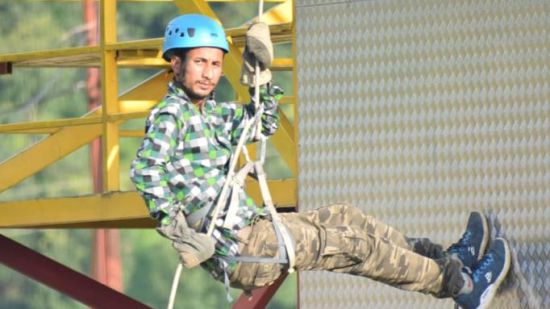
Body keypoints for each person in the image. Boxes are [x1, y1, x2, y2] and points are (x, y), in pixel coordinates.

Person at [130, 14, 511, 309]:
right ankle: (463, 288)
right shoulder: (171, 116)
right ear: (175, 65)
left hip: (257, 230)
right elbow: (146, 171)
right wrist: (178, 229)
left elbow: (260, 124)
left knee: (347, 217)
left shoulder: (210, 115)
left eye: (215, 64)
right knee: (354, 247)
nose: (209, 73)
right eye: (199, 63)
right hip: (242, 249)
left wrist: (259, 79)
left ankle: (447, 260)